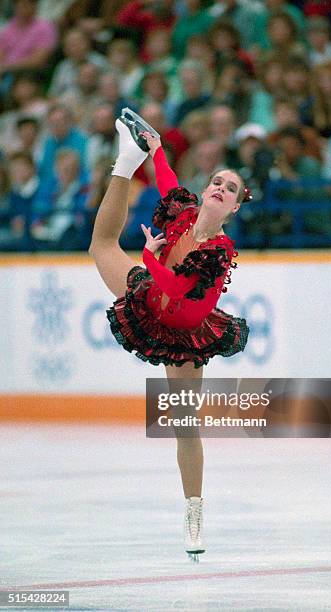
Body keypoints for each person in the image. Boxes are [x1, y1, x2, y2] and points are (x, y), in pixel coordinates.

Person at [89, 113, 250, 561]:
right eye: (216, 181)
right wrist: (154, 149)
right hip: (149, 298)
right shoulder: (184, 212)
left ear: (235, 206)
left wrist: (148, 256)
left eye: (230, 188)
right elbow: (167, 181)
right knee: (101, 244)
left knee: (183, 426)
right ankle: (124, 160)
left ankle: (193, 513)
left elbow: (181, 293)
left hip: (183, 331)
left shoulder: (219, 252)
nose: (219, 187)